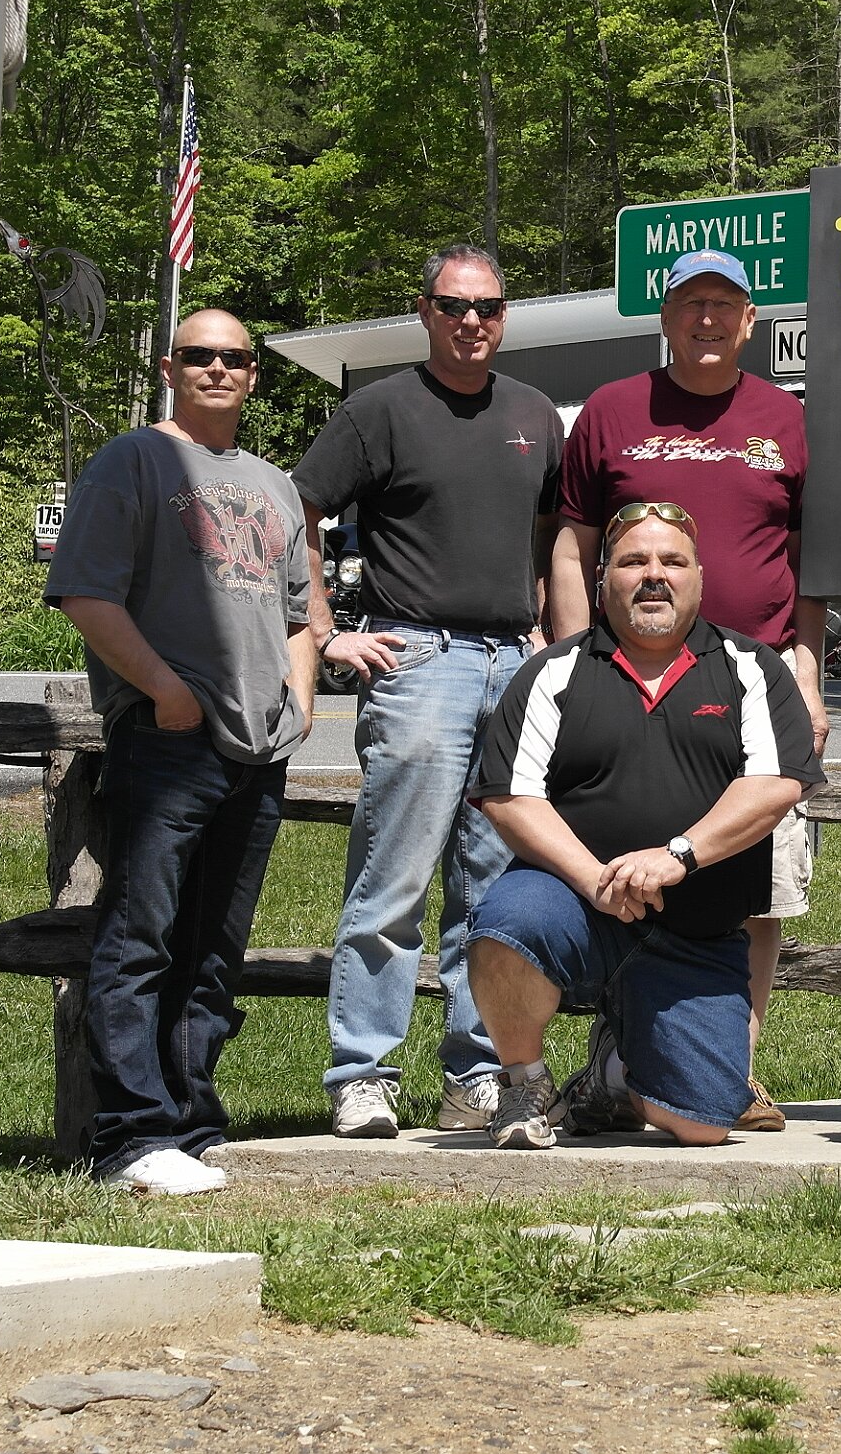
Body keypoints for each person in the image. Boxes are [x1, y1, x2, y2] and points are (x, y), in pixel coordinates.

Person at [548, 248, 824, 1131]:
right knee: (623, 857)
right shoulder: (611, 409)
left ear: (750, 321)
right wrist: (571, 659)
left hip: (757, 675)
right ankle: (618, 1059)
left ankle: (732, 1067)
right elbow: (572, 544)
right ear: (664, 318)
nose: (707, 318)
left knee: (758, 883)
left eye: (724, 304)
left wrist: (808, 671)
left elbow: (808, 561)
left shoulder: (786, 417)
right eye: (690, 303)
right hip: (629, 674)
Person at [293, 244, 563, 1139]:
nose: (471, 321)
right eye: (453, 306)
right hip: (418, 660)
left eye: (487, 307)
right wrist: (325, 630)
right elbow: (297, 512)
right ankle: (363, 1073)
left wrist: (545, 635)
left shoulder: (533, 413)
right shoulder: (378, 411)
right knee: (394, 881)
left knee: (491, 890)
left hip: (512, 666)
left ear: (504, 316)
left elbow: (553, 534)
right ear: (425, 312)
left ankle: (476, 1073)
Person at [46, 309, 316, 1195]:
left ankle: (192, 1126)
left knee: (211, 950)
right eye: (199, 355)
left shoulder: (274, 485)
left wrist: (300, 695)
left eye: (234, 358)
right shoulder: (130, 462)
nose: (217, 369)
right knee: (140, 937)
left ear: (253, 375)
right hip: (168, 742)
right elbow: (85, 594)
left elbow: (298, 611)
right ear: (170, 368)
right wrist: (164, 691)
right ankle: (129, 1137)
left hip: (257, 748)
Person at [466, 501, 821, 1148]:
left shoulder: (750, 668)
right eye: (634, 561)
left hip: (696, 928)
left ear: (699, 578)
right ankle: (523, 1083)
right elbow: (511, 799)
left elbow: (774, 786)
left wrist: (677, 855)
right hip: (574, 905)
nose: (654, 575)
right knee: (505, 926)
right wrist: (594, 879)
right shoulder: (553, 672)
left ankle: (611, 1074)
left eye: (672, 562)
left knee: (703, 1124)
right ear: (603, 578)